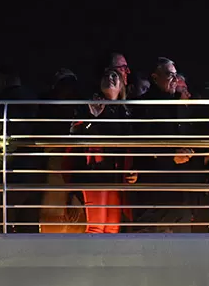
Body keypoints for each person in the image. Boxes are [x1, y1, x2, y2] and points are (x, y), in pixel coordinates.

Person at [131, 57, 199, 231]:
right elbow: (140, 143)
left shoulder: (180, 103)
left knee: (181, 243)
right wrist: (170, 157)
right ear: (155, 77)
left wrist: (189, 151)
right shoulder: (143, 105)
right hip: (154, 189)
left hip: (181, 190)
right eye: (170, 75)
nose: (175, 80)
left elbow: (191, 135)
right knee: (150, 241)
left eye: (176, 75)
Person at [67, 67, 136, 233]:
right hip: (95, 173)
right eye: (106, 75)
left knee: (113, 228)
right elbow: (76, 135)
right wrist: (93, 118)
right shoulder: (90, 106)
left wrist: (133, 169)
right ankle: (92, 259)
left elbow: (131, 145)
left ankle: (107, 259)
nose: (110, 78)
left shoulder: (125, 112)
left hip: (116, 175)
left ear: (121, 87)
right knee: (96, 227)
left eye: (115, 76)